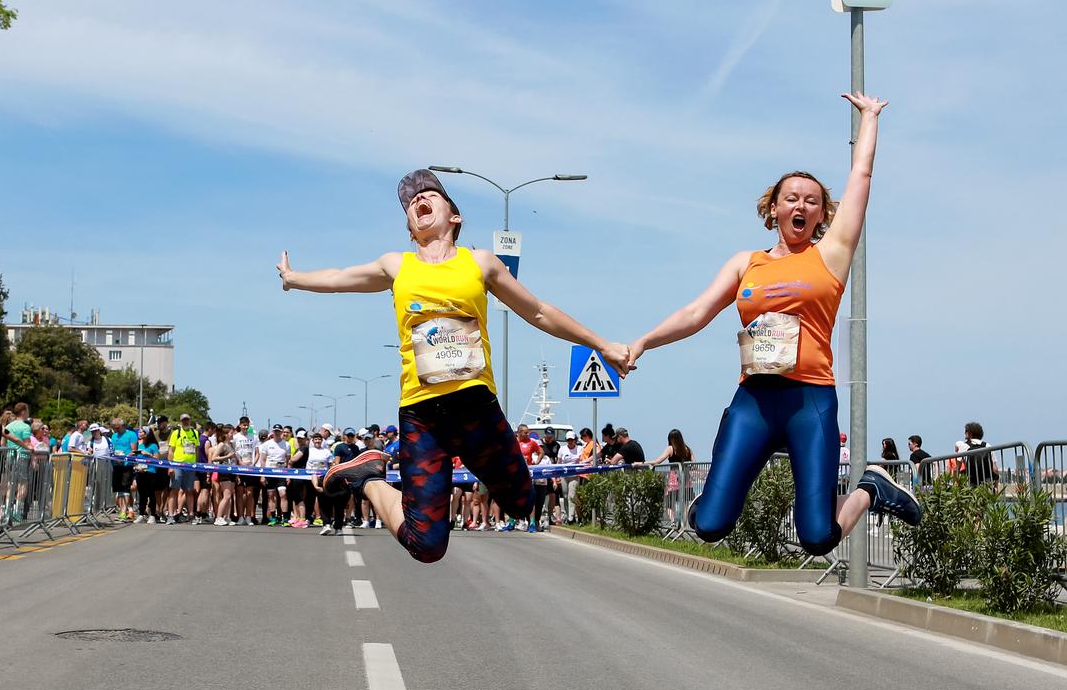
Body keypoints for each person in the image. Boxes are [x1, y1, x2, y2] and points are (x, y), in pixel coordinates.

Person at [280, 169, 630, 562]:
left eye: (427, 194)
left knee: (521, 502)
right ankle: (369, 480)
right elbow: (340, 276)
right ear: (411, 230)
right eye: (410, 203)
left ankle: (436, 477)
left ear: (455, 216)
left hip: (475, 409)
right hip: (421, 415)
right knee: (426, 546)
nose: (417, 201)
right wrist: (295, 278)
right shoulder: (397, 265)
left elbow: (539, 312)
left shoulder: (480, 263)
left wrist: (602, 345)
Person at [626, 92, 922, 556]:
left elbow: (861, 176)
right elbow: (696, 312)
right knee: (709, 526)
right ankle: (710, 502)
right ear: (775, 209)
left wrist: (869, 118)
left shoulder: (831, 255)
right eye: (791, 199)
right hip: (755, 400)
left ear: (823, 214)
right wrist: (644, 341)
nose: (800, 206)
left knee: (818, 536)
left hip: (810, 400)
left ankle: (871, 489)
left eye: (811, 201)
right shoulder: (746, 263)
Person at [107, 416, 138, 521]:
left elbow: (134, 450)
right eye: (114, 428)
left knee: (125, 488)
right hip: (116, 465)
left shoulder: (131, 435)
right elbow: (113, 449)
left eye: (117, 427)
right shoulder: (114, 436)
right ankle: (122, 512)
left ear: (123, 426)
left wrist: (125, 458)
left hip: (126, 465)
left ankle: (126, 511)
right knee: (118, 489)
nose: (116, 430)